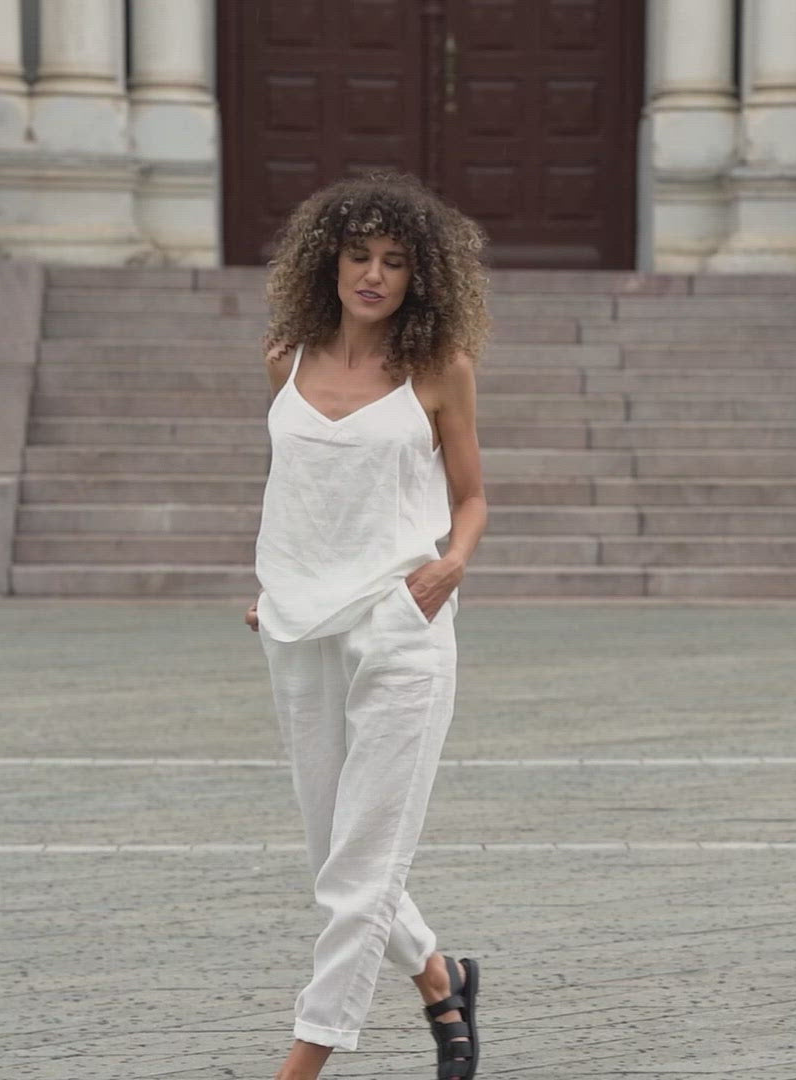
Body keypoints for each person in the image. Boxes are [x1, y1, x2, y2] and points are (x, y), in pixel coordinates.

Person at [243, 171, 491, 1080]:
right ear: (330, 262)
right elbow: (299, 491)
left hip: (401, 624)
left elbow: (470, 499)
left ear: (420, 275)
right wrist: (274, 584)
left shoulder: (440, 369)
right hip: (300, 628)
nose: (374, 275)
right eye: (359, 256)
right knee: (335, 854)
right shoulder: (287, 359)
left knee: (363, 866)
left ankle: (303, 1063)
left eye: (394, 261)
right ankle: (440, 979)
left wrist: (453, 561)